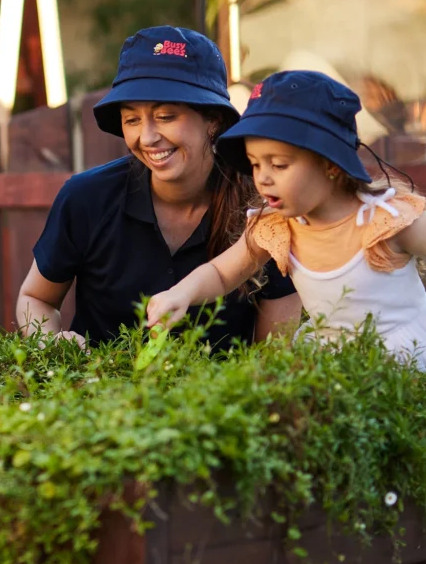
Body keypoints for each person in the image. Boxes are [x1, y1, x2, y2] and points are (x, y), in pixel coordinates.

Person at [16, 26, 301, 351]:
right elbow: (35, 298)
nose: (147, 138)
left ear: (213, 120)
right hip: (95, 397)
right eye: (132, 120)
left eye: (165, 116)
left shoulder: (266, 211)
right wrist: (51, 343)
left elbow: (274, 359)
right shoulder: (86, 198)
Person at [147, 70, 426, 368]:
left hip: (408, 358)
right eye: (255, 164)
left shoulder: (386, 219)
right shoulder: (277, 227)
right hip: (335, 363)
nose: (262, 178)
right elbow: (222, 273)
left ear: (330, 164)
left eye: (279, 165)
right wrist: (180, 293)